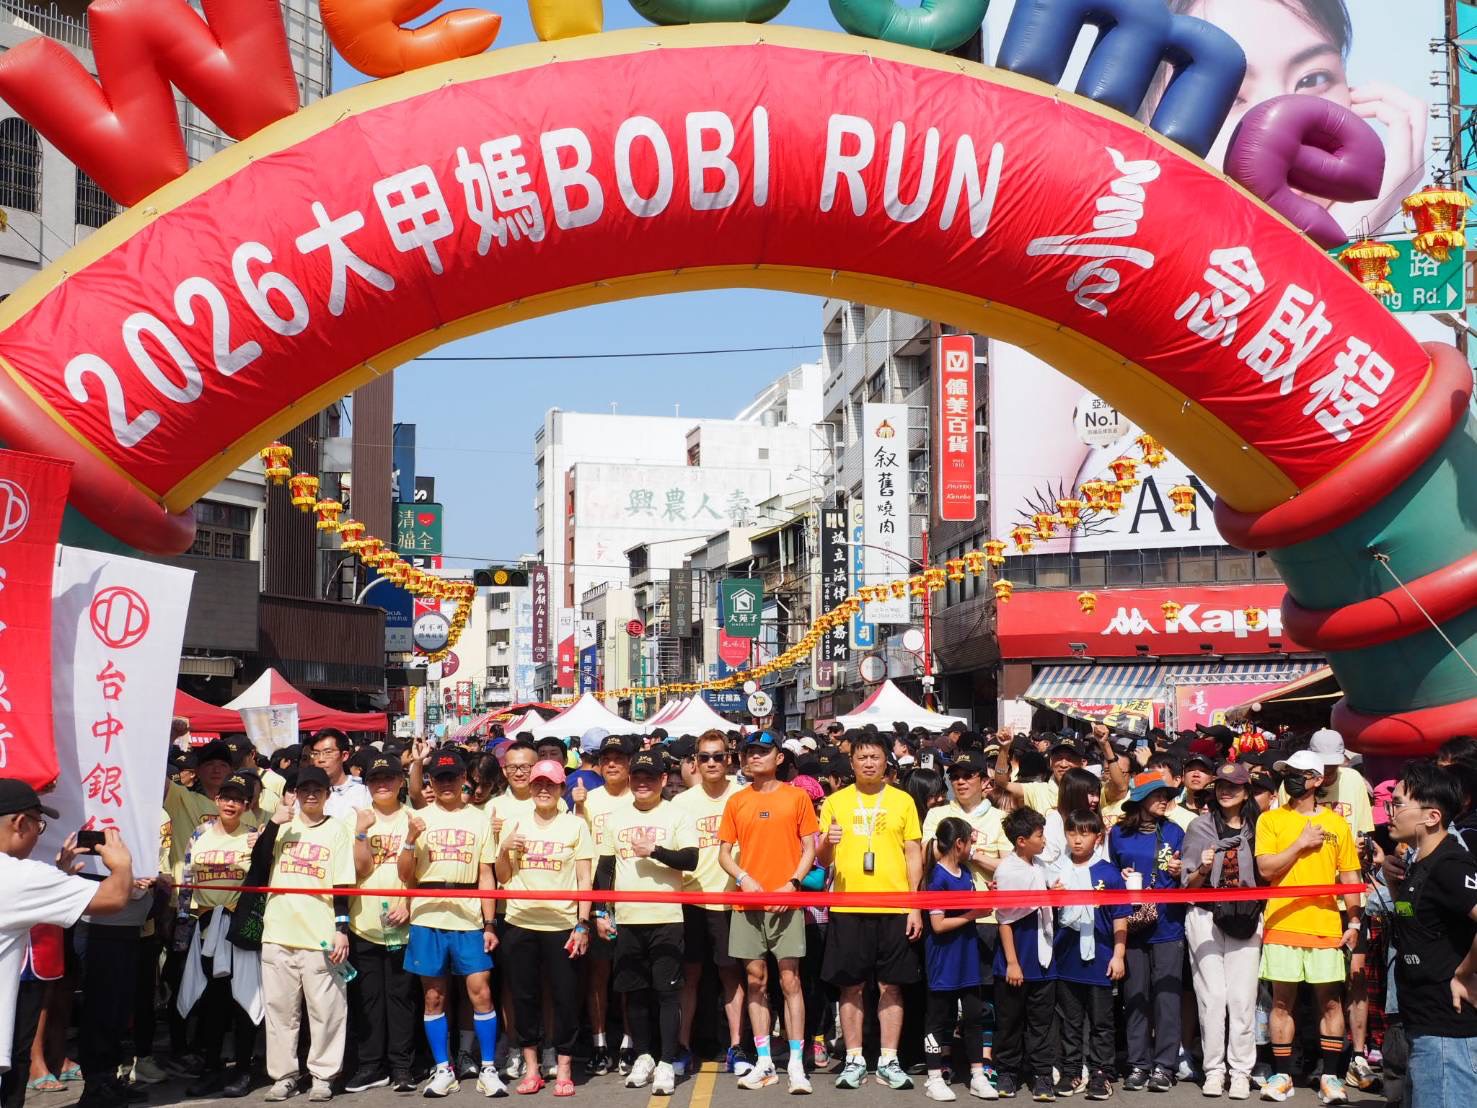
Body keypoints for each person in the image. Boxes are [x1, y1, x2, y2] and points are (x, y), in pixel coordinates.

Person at [0, 781, 134, 1108]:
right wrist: (122, 864)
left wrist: (58, 876)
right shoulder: (19, 876)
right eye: (39, 824)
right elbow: (114, 898)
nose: (38, 834)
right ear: (20, 823)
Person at [1255, 748, 1363, 1105]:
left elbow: (1350, 876)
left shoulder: (1337, 824)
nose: (1291, 779)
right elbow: (1266, 869)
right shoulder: (1270, 820)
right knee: (1281, 1002)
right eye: (1288, 773)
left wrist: (1354, 920)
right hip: (1282, 922)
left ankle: (1330, 1077)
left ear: (1317, 780)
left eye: (1298, 774)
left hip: (1325, 925)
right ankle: (1282, 1075)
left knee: (1330, 1002)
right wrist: (1301, 844)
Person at [817, 732, 923, 1092]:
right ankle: (854, 1059)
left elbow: (913, 853)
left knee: (891, 985)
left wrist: (914, 905)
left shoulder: (903, 801)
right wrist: (825, 843)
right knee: (851, 986)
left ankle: (889, 1060)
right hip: (848, 906)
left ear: (885, 762)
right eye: (861, 757)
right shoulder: (835, 802)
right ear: (852, 762)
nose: (868, 763)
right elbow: (823, 860)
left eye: (875, 757)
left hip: (895, 906)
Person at [397, 749, 505, 1099]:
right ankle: (444, 1069)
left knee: (481, 991)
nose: (446, 784)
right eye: (439, 778)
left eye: (452, 777)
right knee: (433, 997)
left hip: (468, 913)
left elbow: (486, 875)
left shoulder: (479, 819)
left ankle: (488, 1067)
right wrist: (410, 839)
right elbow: (405, 874)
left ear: (463, 779)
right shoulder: (417, 817)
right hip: (427, 913)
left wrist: (490, 924)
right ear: (431, 780)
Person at [716, 730, 818, 1093]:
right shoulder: (737, 801)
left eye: (762, 751)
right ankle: (763, 1061)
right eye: (750, 752)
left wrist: (792, 884)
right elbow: (724, 853)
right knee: (755, 979)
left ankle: (796, 1062)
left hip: (787, 901)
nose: (754, 757)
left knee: (791, 980)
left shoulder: (797, 797)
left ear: (779, 757)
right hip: (748, 903)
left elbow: (810, 848)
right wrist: (743, 878)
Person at [593, 749, 698, 1097]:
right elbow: (605, 870)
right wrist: (600, 913)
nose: (642, 783)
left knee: (667, 993)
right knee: (634, 992)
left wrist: (654, 851)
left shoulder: (678, 814)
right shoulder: (616, 818)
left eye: (649, 777)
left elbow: (691, 859)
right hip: (627, 918)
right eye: (637, 776)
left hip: (666, 918)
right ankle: (644, 1056)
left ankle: (667, 1060)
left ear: (663, 780)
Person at [253, 767, 356, 1103]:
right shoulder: (281, 825)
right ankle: (284, 1076)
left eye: (318, 789)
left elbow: (343, 884)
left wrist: (342, 929)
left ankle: (323, 1076)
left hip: (320, 935)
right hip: (278, 932)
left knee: (326, 1011)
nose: (311, 795)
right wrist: (273, 824)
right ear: (295, 793)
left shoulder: (337, 829)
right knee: (280, 1012)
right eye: (305, 789)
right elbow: (257, 866)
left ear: (327, 794)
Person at [495, 759, 594, 1098]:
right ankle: (532, 1068)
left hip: (562, 924)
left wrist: (582, 924)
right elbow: (503, 876)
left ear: (561, 788)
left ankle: (564, 1067)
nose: (543, 790)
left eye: (550, 785)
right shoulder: (516, 823)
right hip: (520, 921)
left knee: (565, 997)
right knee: (524, 997)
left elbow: (584, 879)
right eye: (538, 783)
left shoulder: (575, 826)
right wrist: (505, 849)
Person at [1384, 760, 1477, 1106]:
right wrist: (1394, 885)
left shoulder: (1450, 864)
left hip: (1447, 1036)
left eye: (1398, 804)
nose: (1390, 812)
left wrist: (1465, 973)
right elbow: (1415, 922)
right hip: (1422, 1029)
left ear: (1432, 817)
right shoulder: (1419, 862)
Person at [1182, 761, 1262, 1101]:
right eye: (1221, 786)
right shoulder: (1199, 827)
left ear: (1246, 791)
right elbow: (1188, 883)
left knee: (1242, 997)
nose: (1226, 791)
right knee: (1212, 996)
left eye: (1234, 786)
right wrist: (1203, 866)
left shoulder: (1259, 827)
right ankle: (1214, 1069)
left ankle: (1241, 1070)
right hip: (1204, 914)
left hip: (1247, 916)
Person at [178, 772, 260, 1099]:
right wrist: (183, 923)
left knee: (243, 999)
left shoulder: (253, 835)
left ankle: (243, 1069)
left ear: (246, 805)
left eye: (238, 799)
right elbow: (187, 878)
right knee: (211, 1002)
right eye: (226, 797)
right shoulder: (199, 834)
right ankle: (211, 1067)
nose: (231, 804)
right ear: (217, 800)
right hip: (205, 926)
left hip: (238, 928)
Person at [669, 731, 744, 1081]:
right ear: (694, 762)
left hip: (731, 900)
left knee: (732, 975)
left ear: (728, 759)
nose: (711, 763)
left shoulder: (743, 796)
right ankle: (682, 1046)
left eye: (717, 756)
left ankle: (737, 1046)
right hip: (691, 900)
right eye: (704, 757)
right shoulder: (682, 803)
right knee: (690, 976)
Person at [1108, 768, 1186, 1094]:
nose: (1164, 800)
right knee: (1135, 996)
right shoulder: (1118, 834)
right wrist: (1122, 875)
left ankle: (1165, 1065)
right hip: (1131, 924)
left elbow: (1189, 875)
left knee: (1167, 997)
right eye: (1157, 795)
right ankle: (1138, 1063)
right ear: (1140, 799)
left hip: (1169, 923)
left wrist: (1180, 870)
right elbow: (1109, 874)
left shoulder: (1176, 831)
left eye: (1166, 795)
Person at [345, 753, 415, 1094]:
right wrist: (361, 833)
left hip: (401, 924)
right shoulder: (355, 819)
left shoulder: (413, 818)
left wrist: (409, 905)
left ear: (401, 781)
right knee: (367, 999)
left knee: (401, 998)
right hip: (363, 921)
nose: (382, 784)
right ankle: (370, 1066)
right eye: (375, 779)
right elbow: (360, 870)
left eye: (389, 778)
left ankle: (402, 1066)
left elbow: (420, 873)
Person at [1053, 809, 1127, 1102]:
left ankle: (1101, 1073)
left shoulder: (1109, 873)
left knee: (1101, 1022)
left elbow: (1120, 918)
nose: (1077, 840)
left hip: (1100, 957)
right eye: (1072, 833)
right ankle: (1072, 1070)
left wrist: (1119, 954)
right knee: (1070, 1021)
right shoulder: (1057, 871)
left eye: (1084, 833)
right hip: (1066, 957)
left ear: (1098, 837)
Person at [920, 817, 992, 1103]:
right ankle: (934, 1077)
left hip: (967, 955)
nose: (972, 847)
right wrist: (973, 915)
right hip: (943, 957)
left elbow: (970, 905)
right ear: (959, 843)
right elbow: (938, 925)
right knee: (938, 1018)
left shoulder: (967, 873)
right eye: (970, 842)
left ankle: (977, 1075)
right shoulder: (936, 878)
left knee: (974, 1016)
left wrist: (989, 896)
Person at [575, 734, 634, 1077]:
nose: (612, 764)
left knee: (628, 973)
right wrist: (578, 807)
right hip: (597, 894)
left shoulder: (641, 796)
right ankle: (599, 1044)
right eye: (606, 759)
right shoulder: (588, 798)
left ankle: (628, 1041)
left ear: (629, 763)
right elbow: (577, 846)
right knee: (598, 974)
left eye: (619, 758)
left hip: (633, 894)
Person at [992, 807, 1058, 1101]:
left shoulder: (1040, 866)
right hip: (1017, 956)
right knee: (1010, 1020)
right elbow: (1005, 919)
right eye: (1039, 835)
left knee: (1042, 1021)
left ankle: (1042, 1074)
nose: (1044, 840)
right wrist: (1012, 962)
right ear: (1021, 841)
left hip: (1043, 956)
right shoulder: (1007, 871)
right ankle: (1007, 1072)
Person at [304, 730, 370, 818]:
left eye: (328, 752)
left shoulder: (363, 793)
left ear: (344, 756)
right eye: (316, 753)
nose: (321, 759)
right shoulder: (305, 793)